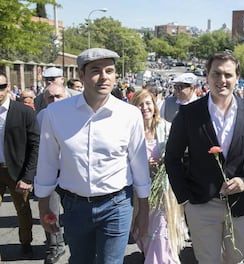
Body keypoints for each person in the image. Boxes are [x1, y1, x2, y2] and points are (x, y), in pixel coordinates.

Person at [34, 48, 151, 264]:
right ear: (81, 75)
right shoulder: (56, 113)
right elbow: (47, 163)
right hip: (74, 207)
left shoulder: (129, 115)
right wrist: (43, 206)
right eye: (96, 70)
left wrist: (144, 210)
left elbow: (139, 166)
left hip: (117, 205)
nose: (104, 76)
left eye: (109, 70)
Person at [165, 51, 244, 264]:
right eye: (216, 74)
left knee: (236, 258)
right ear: (207, 76)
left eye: (228, 75)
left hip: (239, 204)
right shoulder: (189, 113)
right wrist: (184, 198)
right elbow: (172, 157)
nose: (222, 80)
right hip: (201, 203)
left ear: (237, 77)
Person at [130, 89, 188, 263]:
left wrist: (164, 161)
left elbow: (177, 154)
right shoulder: (131, 130)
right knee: (142, 229)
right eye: (140, 104)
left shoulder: (165, 127)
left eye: (148, 103)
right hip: (139, 190)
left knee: (161, 230)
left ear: (154, 106)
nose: (145, 107)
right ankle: (151, 255)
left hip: (163, 189)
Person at [0, 74, 40, 256]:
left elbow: (35, 145)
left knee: (23, 211)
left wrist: (28, 176)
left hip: (17, 170)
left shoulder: (23, 112)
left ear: (8, 87)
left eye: (1, 87)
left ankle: (26, 242)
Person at [36, 83, 69, 264]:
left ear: (66, 96)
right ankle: (55, 246)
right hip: (52, 174)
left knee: (74, 213)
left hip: (73, 174)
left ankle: (73, 238)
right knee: (51, 213)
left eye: (58, 96)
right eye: (50, 97)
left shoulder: (77, 116)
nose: (54, 100)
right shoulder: (41, 116)